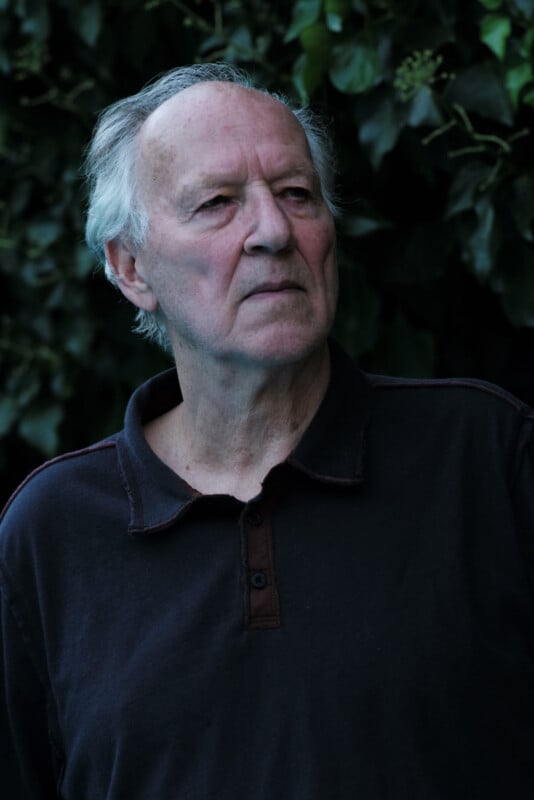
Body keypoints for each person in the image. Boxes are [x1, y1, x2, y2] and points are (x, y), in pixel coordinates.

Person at [1, 62, 534, 800]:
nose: (274, 232)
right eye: (218, 203)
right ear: (130, 267)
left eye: (295, 194)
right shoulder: (51, 530)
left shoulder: (485, 455)